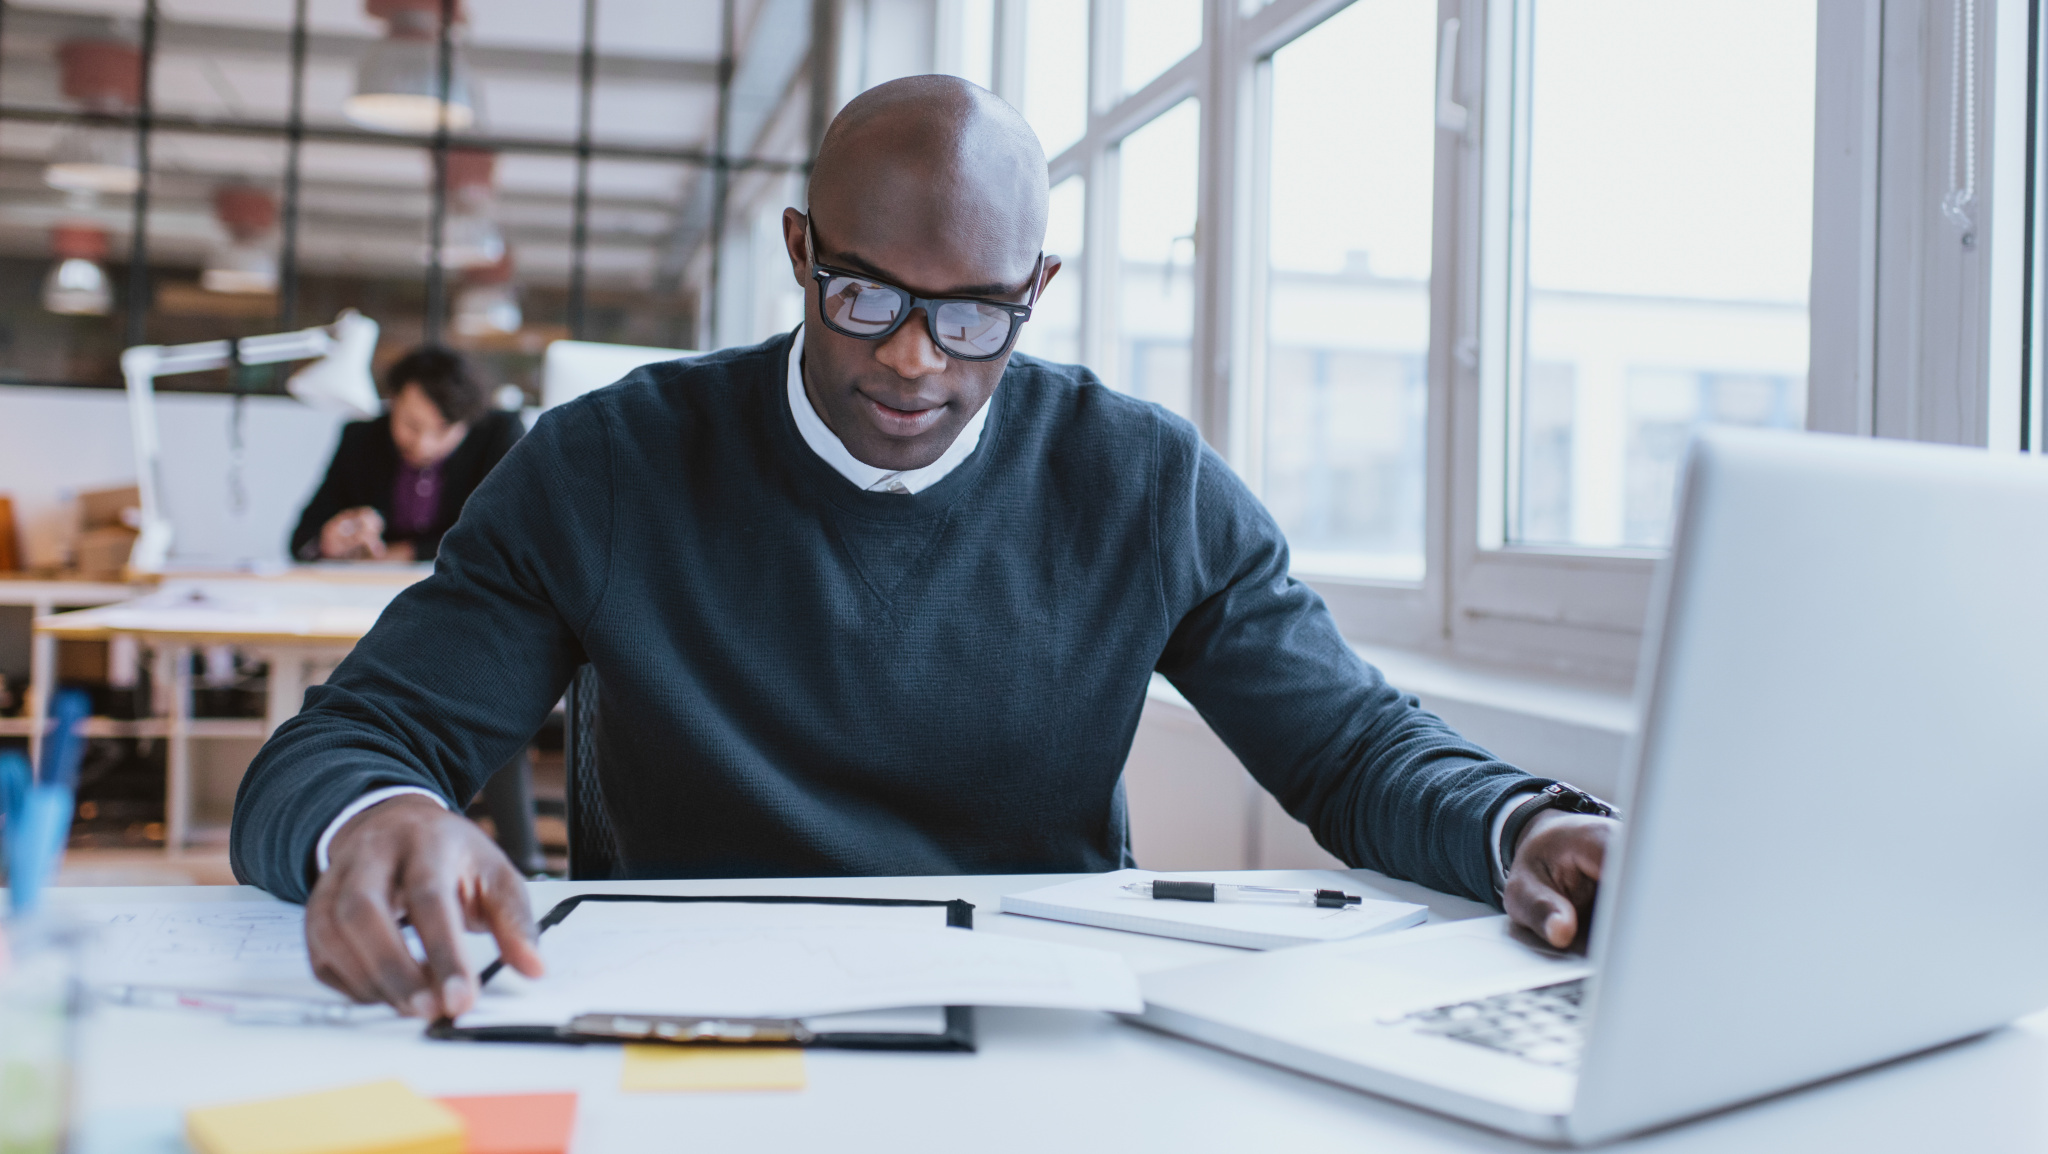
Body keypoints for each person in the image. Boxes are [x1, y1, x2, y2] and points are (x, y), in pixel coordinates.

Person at [231, 76, 1616, 1022]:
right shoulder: (607, 466)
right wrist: (382, 814)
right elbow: (330, 754)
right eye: (864, 293)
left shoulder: (1142, 482)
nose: (910, 359)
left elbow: (1354, 750)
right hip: (692, 1019)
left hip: (1042, 1029)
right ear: (797, 250)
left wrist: (1524, 824)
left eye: (972, 316)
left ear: (1037, 290)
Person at [287, 346, 543, 875]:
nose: (419, 442)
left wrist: (408, 549)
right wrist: (330, 538)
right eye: (408, 424)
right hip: (365, 614)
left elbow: (504, 534)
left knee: (484, 690)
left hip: (463, 612)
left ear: (465, 423)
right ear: (393, 404)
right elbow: (301, 537)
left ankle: (519, 857)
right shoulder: (362, 438)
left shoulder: (498, 434)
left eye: (438, 431)